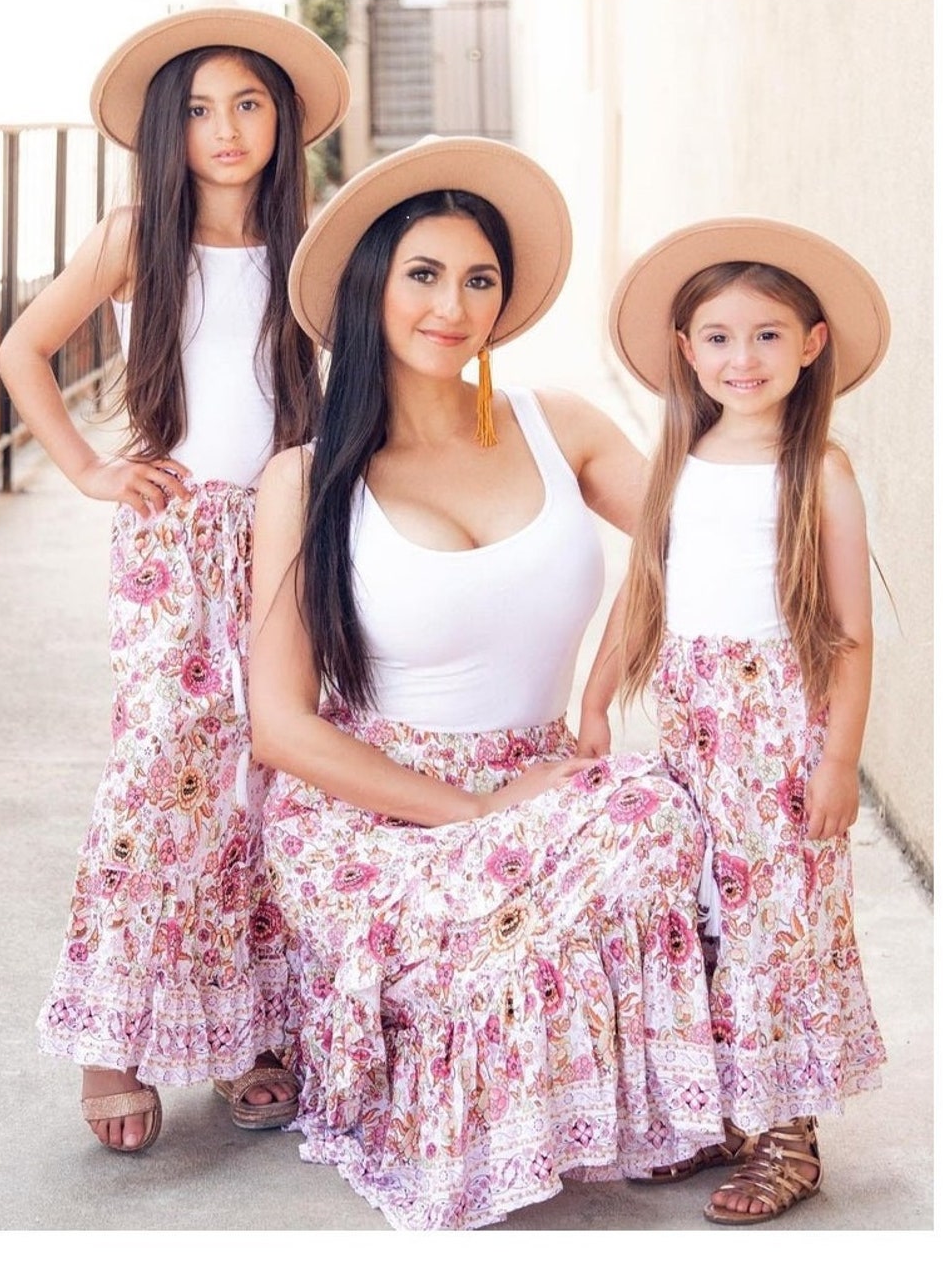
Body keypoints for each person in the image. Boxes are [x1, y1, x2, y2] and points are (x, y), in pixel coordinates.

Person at [248, 135, 725, 1230]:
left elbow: (692, 537)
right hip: (371, 808)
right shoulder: (306, 478)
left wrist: (601, 690)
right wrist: (469, 810)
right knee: (471, 952)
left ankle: (599, 1095)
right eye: (424, 273)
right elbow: (279, 726)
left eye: (479, 279)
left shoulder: (558, 427)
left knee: (657, 810)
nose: (452, 305)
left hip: (544, 779)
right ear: (373, 284)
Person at [0, 6, 350, 1152]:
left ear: (282, 120)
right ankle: (114, 1036)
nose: (227, 128)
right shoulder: (134, 235)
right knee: (162, 777)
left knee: (268, 779)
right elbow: (20, 351)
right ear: (168, 127)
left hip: (289, 533)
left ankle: (248, 1033)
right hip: (176, 535)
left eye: (249, 103)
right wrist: (92, 466)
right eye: (200, 109)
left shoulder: (315, 247)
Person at [582, 217, 889, 1224]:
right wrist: (594, 695)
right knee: (702, 916)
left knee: (775, 927)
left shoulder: (819, 472)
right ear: (685, 350)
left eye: (767, 335)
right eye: (718, 336)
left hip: (777, 738)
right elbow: (646, 591)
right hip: (690, 732)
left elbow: (849, 634)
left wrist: (838, 760)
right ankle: (719, 1113)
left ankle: (788, 1134)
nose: (741, 358)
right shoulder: (679, 461)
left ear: (811, 345)